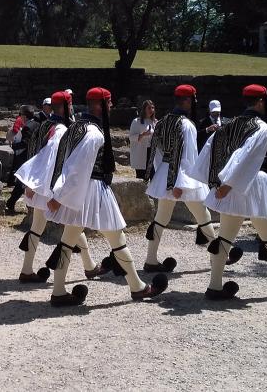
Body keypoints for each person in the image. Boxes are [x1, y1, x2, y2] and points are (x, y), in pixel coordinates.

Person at [44, 87, 168, 307]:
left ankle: (59, 291)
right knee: (116, 239)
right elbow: (76, 167)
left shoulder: (76, 127)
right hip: (91, 190)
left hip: (81, 191)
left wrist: (58, 192)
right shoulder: (93, 133)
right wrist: (60, 195)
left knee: (68, 241)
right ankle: (137, 287)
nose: (111, 106)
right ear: (100, 105)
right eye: (109, 102)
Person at [189, 84, 267, 300]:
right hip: (252, 184)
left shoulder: (229, 124)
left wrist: (216, 182)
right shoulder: (261, 127)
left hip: (231, 186)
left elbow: (211, 148)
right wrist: (226, 184)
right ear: (260, 102)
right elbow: (245, 156)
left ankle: (215, 286)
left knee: (225, 238)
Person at [15, 91, 105, 283]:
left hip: (41, 185)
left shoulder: (44, 125)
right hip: (50, 187)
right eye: (71, 104)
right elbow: (50, 159)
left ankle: (28, 269)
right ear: (66, 106)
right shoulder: (61, 130)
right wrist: (49, 188)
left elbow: (34, 153)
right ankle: (87, 267)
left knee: (41, 227)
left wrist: (30, 182)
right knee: (72, 225)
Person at [144, 85, 224, 273]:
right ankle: (218, 256)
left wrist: (163, 178)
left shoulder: (162, 122)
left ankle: (150, 259)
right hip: (184, 176)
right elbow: (188, 156)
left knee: (161, 217)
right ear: (187, 100)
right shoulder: (186, 124)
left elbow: (156, 152)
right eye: (193, 99)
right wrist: (179, 182)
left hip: (165, 172)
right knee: (202, 216)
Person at [5, 105, 37, 213]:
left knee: (21, 183)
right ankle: (12, 202)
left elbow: (25, 143)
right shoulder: (37, 124)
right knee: (23, 183)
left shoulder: (28, 126)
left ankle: (11, 202)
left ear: (24, 116)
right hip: (34, 157)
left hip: (25, 158)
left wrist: (14, 146)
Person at [129, 100, 156, 179]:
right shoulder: (136, 122)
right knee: (142, 178)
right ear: (144, 109)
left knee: (153, 177)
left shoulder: (154, 122)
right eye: (149, 108)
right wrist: (142, 135)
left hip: (152, 152)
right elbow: (131, 137)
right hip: (141, 153)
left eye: (153, 108)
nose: (151, 110)